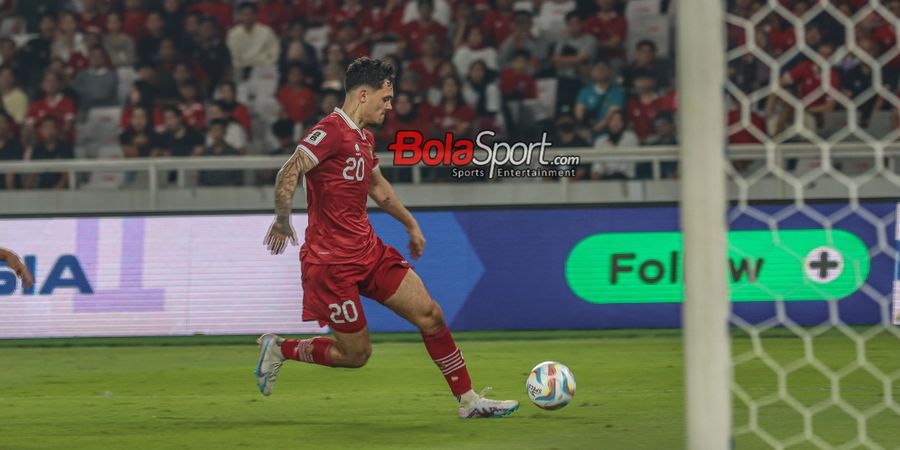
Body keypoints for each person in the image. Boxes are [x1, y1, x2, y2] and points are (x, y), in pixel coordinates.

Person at [255, 57, 519, 418]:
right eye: (386, 97)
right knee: (356, 355)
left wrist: (411, 224)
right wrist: (283, 220)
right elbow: (290, 169)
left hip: (369, 252)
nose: (391, 106)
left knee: (431, 315)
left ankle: (469, 401)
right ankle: (279, 348)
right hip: (332, 266)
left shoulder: (363, 137)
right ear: (364, 94)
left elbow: (378, 188)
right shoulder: (330, 130)